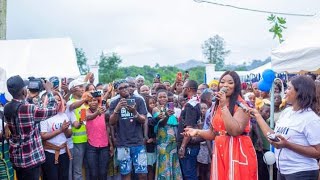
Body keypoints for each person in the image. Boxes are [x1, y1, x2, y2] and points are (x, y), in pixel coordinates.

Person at [182, 71, 257, 180]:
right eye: (222, 82)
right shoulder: (217, 105)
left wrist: (223, 106)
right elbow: (213, 133)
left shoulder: (241, 105)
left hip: (237, 151)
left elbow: (234, 131)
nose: (225, 85)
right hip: (220, 150)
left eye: (230, 83)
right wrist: (196, 131)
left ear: (236, 86)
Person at [249, 75, 320, 179]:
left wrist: (287, 145)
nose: (285, 91)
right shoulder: (286, 112)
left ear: (300, 92)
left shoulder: (310, 119)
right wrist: (258, 116)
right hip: (282, 171)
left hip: (301, 172)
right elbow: (273, 135)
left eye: (289, 88)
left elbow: (318, 152)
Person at [4, 75, 58, 180]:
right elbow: (53, 109)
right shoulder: (29, 108)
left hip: (17, 158)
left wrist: (28, 97)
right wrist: (49, 90)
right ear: (24, 91)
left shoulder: (7, 107)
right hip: (31, 158)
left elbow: (20, 109)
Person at [109, 80, 148, 180]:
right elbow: (111, 122)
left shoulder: (138, 100)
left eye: (126, 87)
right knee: (126, 174)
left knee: (142, 174)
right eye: (121, 88)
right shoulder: (114, 103)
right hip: (123, 144)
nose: (124, 89)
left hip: (138, 143)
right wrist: (117, 109)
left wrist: (134, 112)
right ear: (117, 91)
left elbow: (143, 120)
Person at [40, 92, 72, 180]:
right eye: (54, 100)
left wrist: (66, 130)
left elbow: (69, 135)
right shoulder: (44, 116)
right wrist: (60, 130)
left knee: (64, 177)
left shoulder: (64, 115)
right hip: (50, 153)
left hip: (64, 153)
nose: (57, 102)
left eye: (59, 100)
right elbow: (43, 136)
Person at [152, 89, 182, 179]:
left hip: (172, 141)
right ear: (156, 98)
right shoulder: (155, 109)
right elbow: (161, 123)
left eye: (164, 96)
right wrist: (167, 115)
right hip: (162, 141)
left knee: (173, 161)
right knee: (164, 162)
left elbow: (175, 125)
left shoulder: (171, 108)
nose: (162, 98)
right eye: (160, 97)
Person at [85, 92, 113, 180]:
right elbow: (87, 118)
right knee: (93, 173)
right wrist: (97, 113)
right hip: (91, 146)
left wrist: (111, 145)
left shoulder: (104, 112)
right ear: (87, 103)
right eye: (90, 101)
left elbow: (106, 129)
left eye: (95, 100)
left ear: (98, 101)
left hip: (104, 146)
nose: (93, 102)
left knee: (103, 172)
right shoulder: (83, 111)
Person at [177, 80, 201, 180]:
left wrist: (183, 146)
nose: (182, 90)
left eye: (184, 88)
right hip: (190, 145)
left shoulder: (191, 105)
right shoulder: (194, 102)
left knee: (189, 174)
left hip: (188, 146)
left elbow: (189, 128)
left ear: (189, 89)